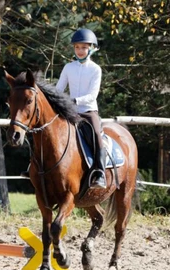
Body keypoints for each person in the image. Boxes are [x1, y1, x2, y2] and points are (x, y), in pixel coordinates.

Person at [56, 28, 106, 189]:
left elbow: (93, 95)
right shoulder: (68, 67)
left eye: (84, 47)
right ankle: (34, 167)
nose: (80, 51)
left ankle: (100, 173)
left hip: (88, 112)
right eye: (77, 47)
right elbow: (59, 89)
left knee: (97, 135)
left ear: (91, 48)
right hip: (69, 111)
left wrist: (74, 100)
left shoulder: (96, 69)